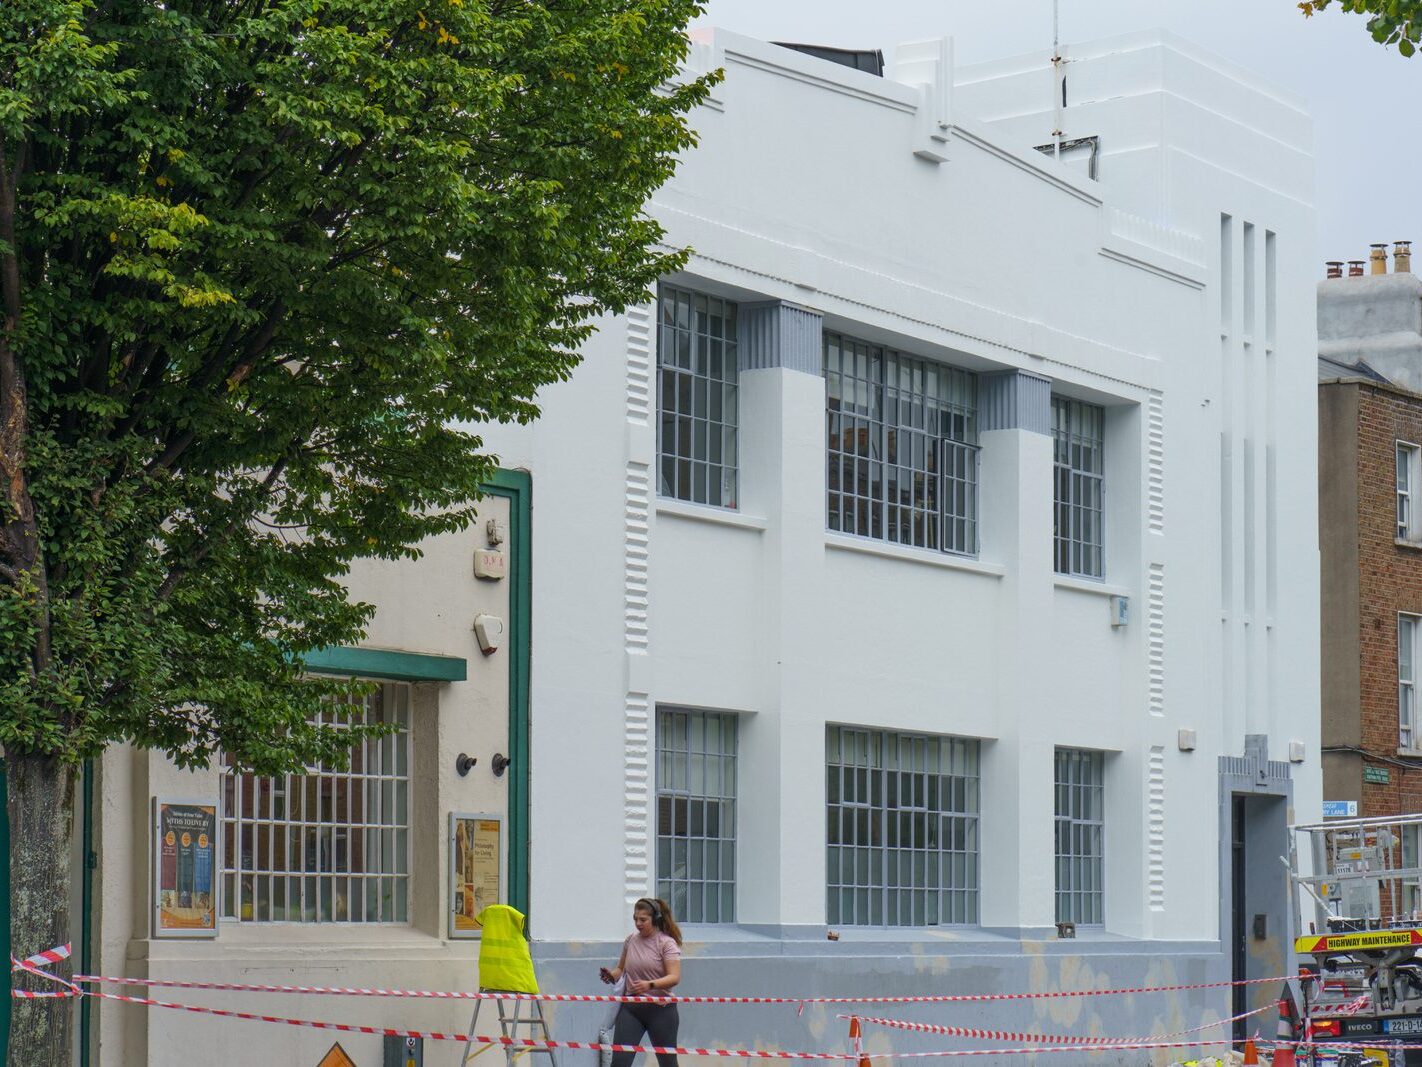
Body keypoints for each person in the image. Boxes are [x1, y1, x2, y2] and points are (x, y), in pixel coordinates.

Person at [599, 897, 683, 1067]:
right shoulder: (631, 940)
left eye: (643, 920)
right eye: (635, 919)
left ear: (656, 919)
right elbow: (620, 969)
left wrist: (650, 984)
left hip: (661, 1010)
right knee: (620, 1062)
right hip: (631, 1009)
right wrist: (611, 976)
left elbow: (674, 977)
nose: (638, 923)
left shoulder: (666, 943)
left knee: (668, 1062)